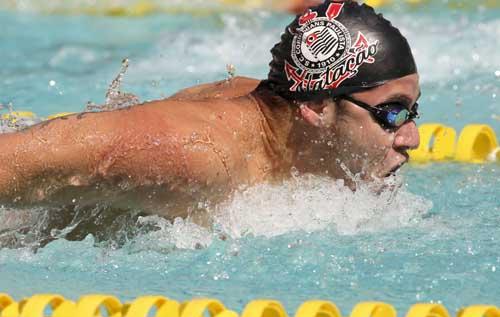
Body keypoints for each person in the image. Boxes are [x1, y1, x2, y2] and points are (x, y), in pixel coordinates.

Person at [0, 0, 420, 220]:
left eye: (412, 112)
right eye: (391, 114)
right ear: (314, 107)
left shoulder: (281, 115)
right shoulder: (195, 153)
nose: (411, 137)